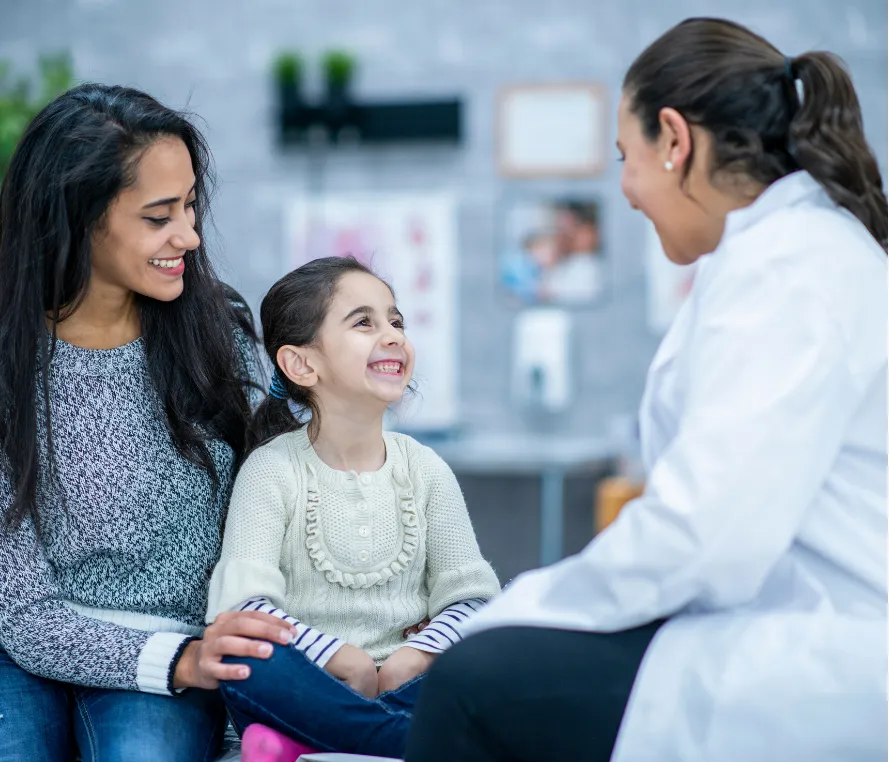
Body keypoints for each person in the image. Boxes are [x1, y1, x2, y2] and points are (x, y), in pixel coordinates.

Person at [406, 17, 887, 762]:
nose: (625, 190)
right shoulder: (787, 254)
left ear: (674, 139)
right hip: (791, 624)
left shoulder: (788, 268)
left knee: (472, 681)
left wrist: (516, 610)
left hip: (827, 652)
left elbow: (708, 536)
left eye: (624, 157)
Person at [0, 84, 300, 762]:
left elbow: (274, 508)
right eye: (159, 216)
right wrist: (182, 662)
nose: (189, 236)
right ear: (75, 219)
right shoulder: (11, 365)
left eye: (190, 205)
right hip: (27, 647)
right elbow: (21, 614)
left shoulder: (214, 333)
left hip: (176, 642)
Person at [205, 256, 500, 759]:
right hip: (305, 685)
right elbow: (244, 608)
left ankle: (310, 740)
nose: (391, 335)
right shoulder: (272, 470)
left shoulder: (426, 470)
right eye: (364, 322)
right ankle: (418, 742)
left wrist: (416, 654)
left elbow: (471, 600)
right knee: (244, 653)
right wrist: (339, 657)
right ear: (302, 364)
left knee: (505, 636)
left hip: (407, 684)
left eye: (396, 320)